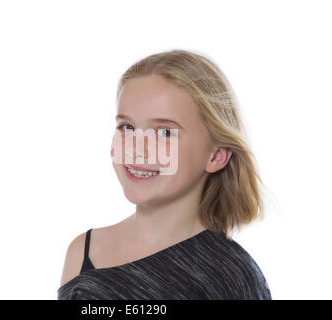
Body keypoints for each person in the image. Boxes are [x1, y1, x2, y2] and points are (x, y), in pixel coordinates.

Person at [57, 49, 272, 300]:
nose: (137, 148)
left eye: (165, 133)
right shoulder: (83, 251)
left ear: (216, 155)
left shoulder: (233, 278)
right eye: (127, 127)